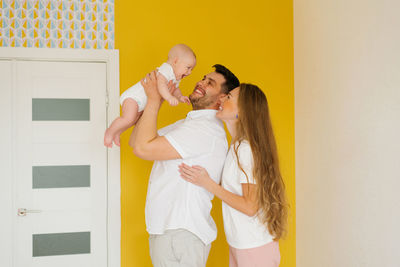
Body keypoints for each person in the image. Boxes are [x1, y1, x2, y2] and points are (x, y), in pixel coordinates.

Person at [130, 64, 240, 267]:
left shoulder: (205, 131)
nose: (200, 82)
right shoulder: (189, 124)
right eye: (203, 78)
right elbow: (137, 141)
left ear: (221, 99)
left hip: (181, 233)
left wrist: (154, 99)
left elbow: (143, 148)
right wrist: (159, 99)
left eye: (210, 83)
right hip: (169, 231)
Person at [179, 83, 288, 267]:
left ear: (242, 111)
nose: (221, 99)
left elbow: (250, 206)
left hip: (253, 247)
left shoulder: (245, 150)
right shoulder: (236, 148)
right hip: (242, 244)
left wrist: (207, 183)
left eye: (228, 97)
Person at [104, 44, 196, 148]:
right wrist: (169, 97)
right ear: (175, 61)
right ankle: (109, 132)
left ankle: (117, 133)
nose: (190, 72)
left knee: (132, 121)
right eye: (188, 68)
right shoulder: (167, 69)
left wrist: (180, 97)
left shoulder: (175, 77)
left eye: (191, 69)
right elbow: (161, 84)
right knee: (128, 119)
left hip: (141, 103)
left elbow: (175, 89)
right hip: (133, 98)